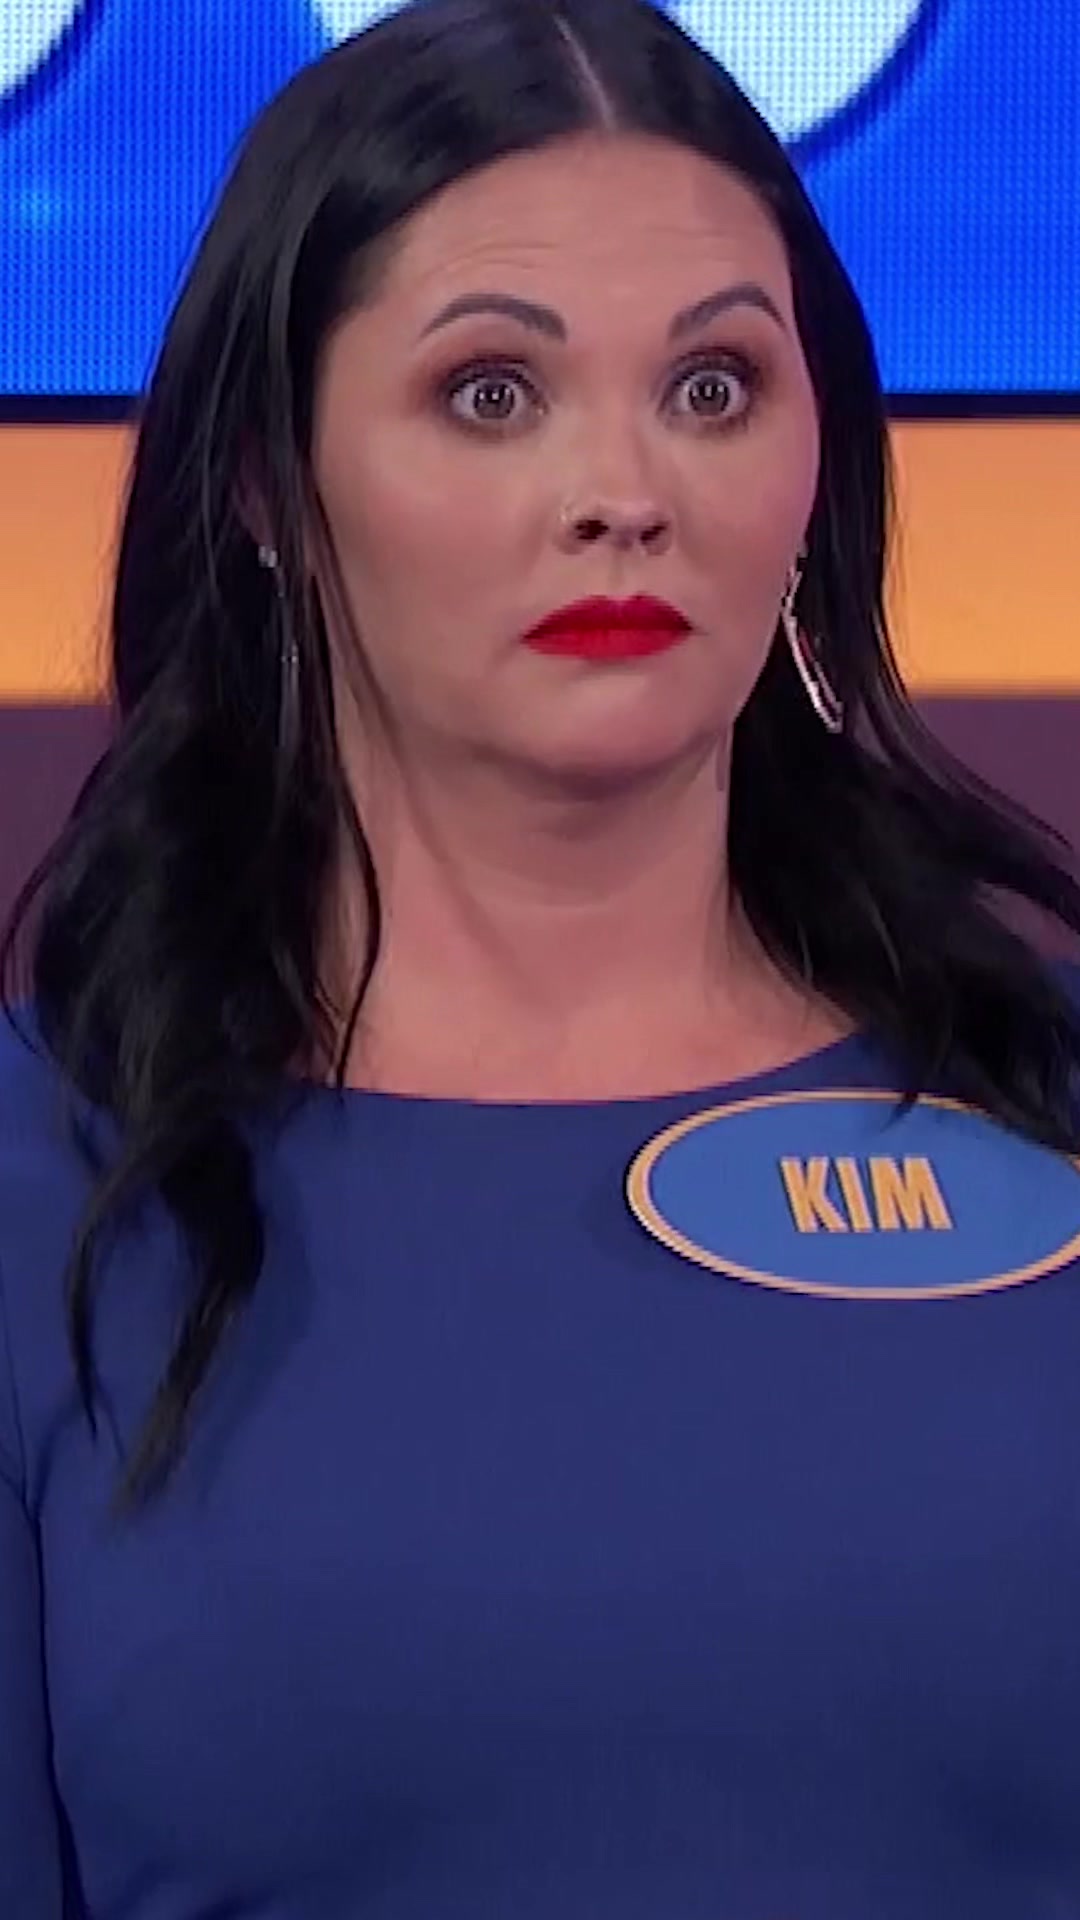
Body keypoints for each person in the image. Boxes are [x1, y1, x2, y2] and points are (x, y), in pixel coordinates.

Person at [2, 0, 1079, 1913]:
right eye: (493, 392)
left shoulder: (1045, 1096)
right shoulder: (46, 1180)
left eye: (715, 387)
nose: (626, 492)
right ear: (263, 486)